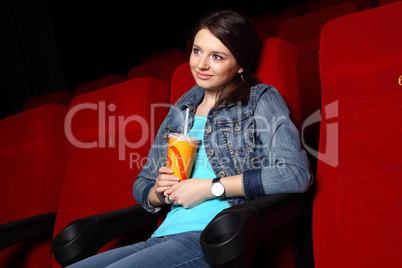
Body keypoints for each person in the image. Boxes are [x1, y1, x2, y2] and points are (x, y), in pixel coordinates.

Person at [68, 9, 312, 268]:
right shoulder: (181, 111)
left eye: (217, 56)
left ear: (240, 63)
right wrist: (158, 192)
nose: (201, 64)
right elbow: (142, 184)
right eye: (197, 51)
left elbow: (296, 174)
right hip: (162, 238)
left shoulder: (260, 100)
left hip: (215, 238)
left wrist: (210, 187)